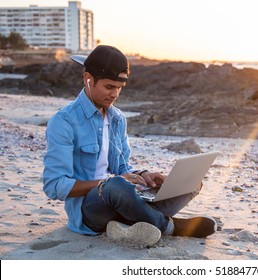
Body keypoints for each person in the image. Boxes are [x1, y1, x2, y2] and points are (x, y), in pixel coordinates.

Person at [43, 45, 216, 245]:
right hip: (89, 212)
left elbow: (123, 168)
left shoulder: (117, 118)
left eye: (119, 88)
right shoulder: (64, 121)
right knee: (114, 186)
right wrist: (107, 184)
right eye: (109, 87)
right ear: (88, 79)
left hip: (125, 198)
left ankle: (134, 222)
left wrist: (144, 176)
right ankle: (170, 226)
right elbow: (54, 186)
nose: (115, 94)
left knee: (191, 181)